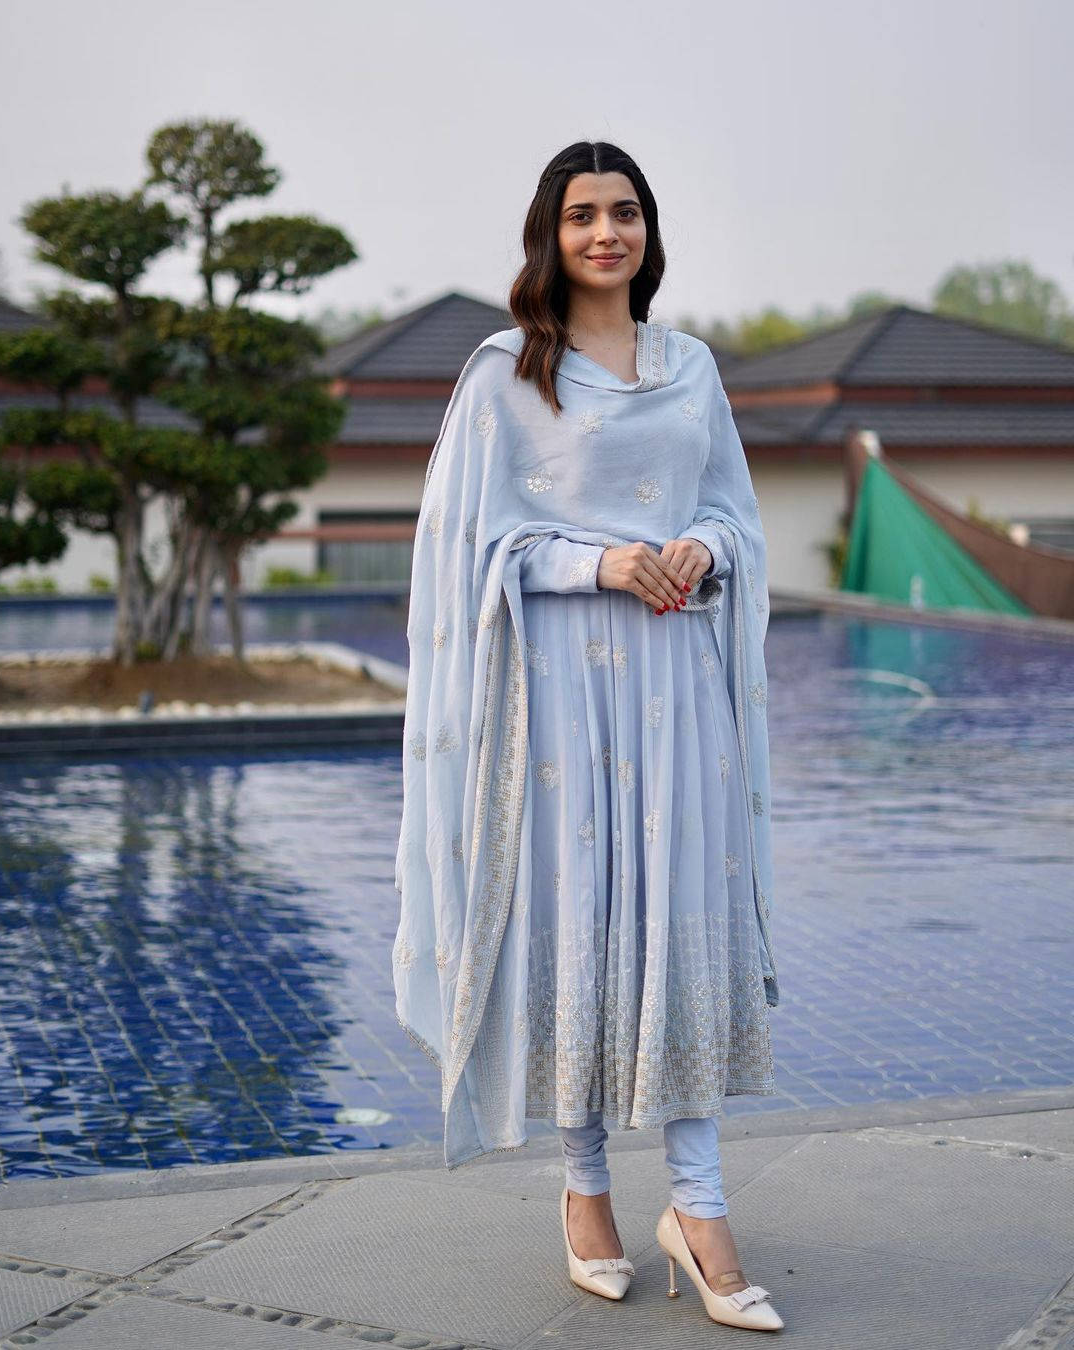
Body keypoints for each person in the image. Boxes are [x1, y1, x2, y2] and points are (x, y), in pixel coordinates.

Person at [392, 140, 784, 1333]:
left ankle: (702, 1208)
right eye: (581, 215)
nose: (604, 233)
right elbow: (476, 548)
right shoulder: (508, 374)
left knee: (676, 923)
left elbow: (731, 510)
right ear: (548, 235)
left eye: (623, 213)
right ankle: (587, 1195)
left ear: (649, 232)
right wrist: (599, 560)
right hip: (559, 696)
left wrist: (700, 552)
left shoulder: (692, 368)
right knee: (579, 921)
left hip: (676, 691)